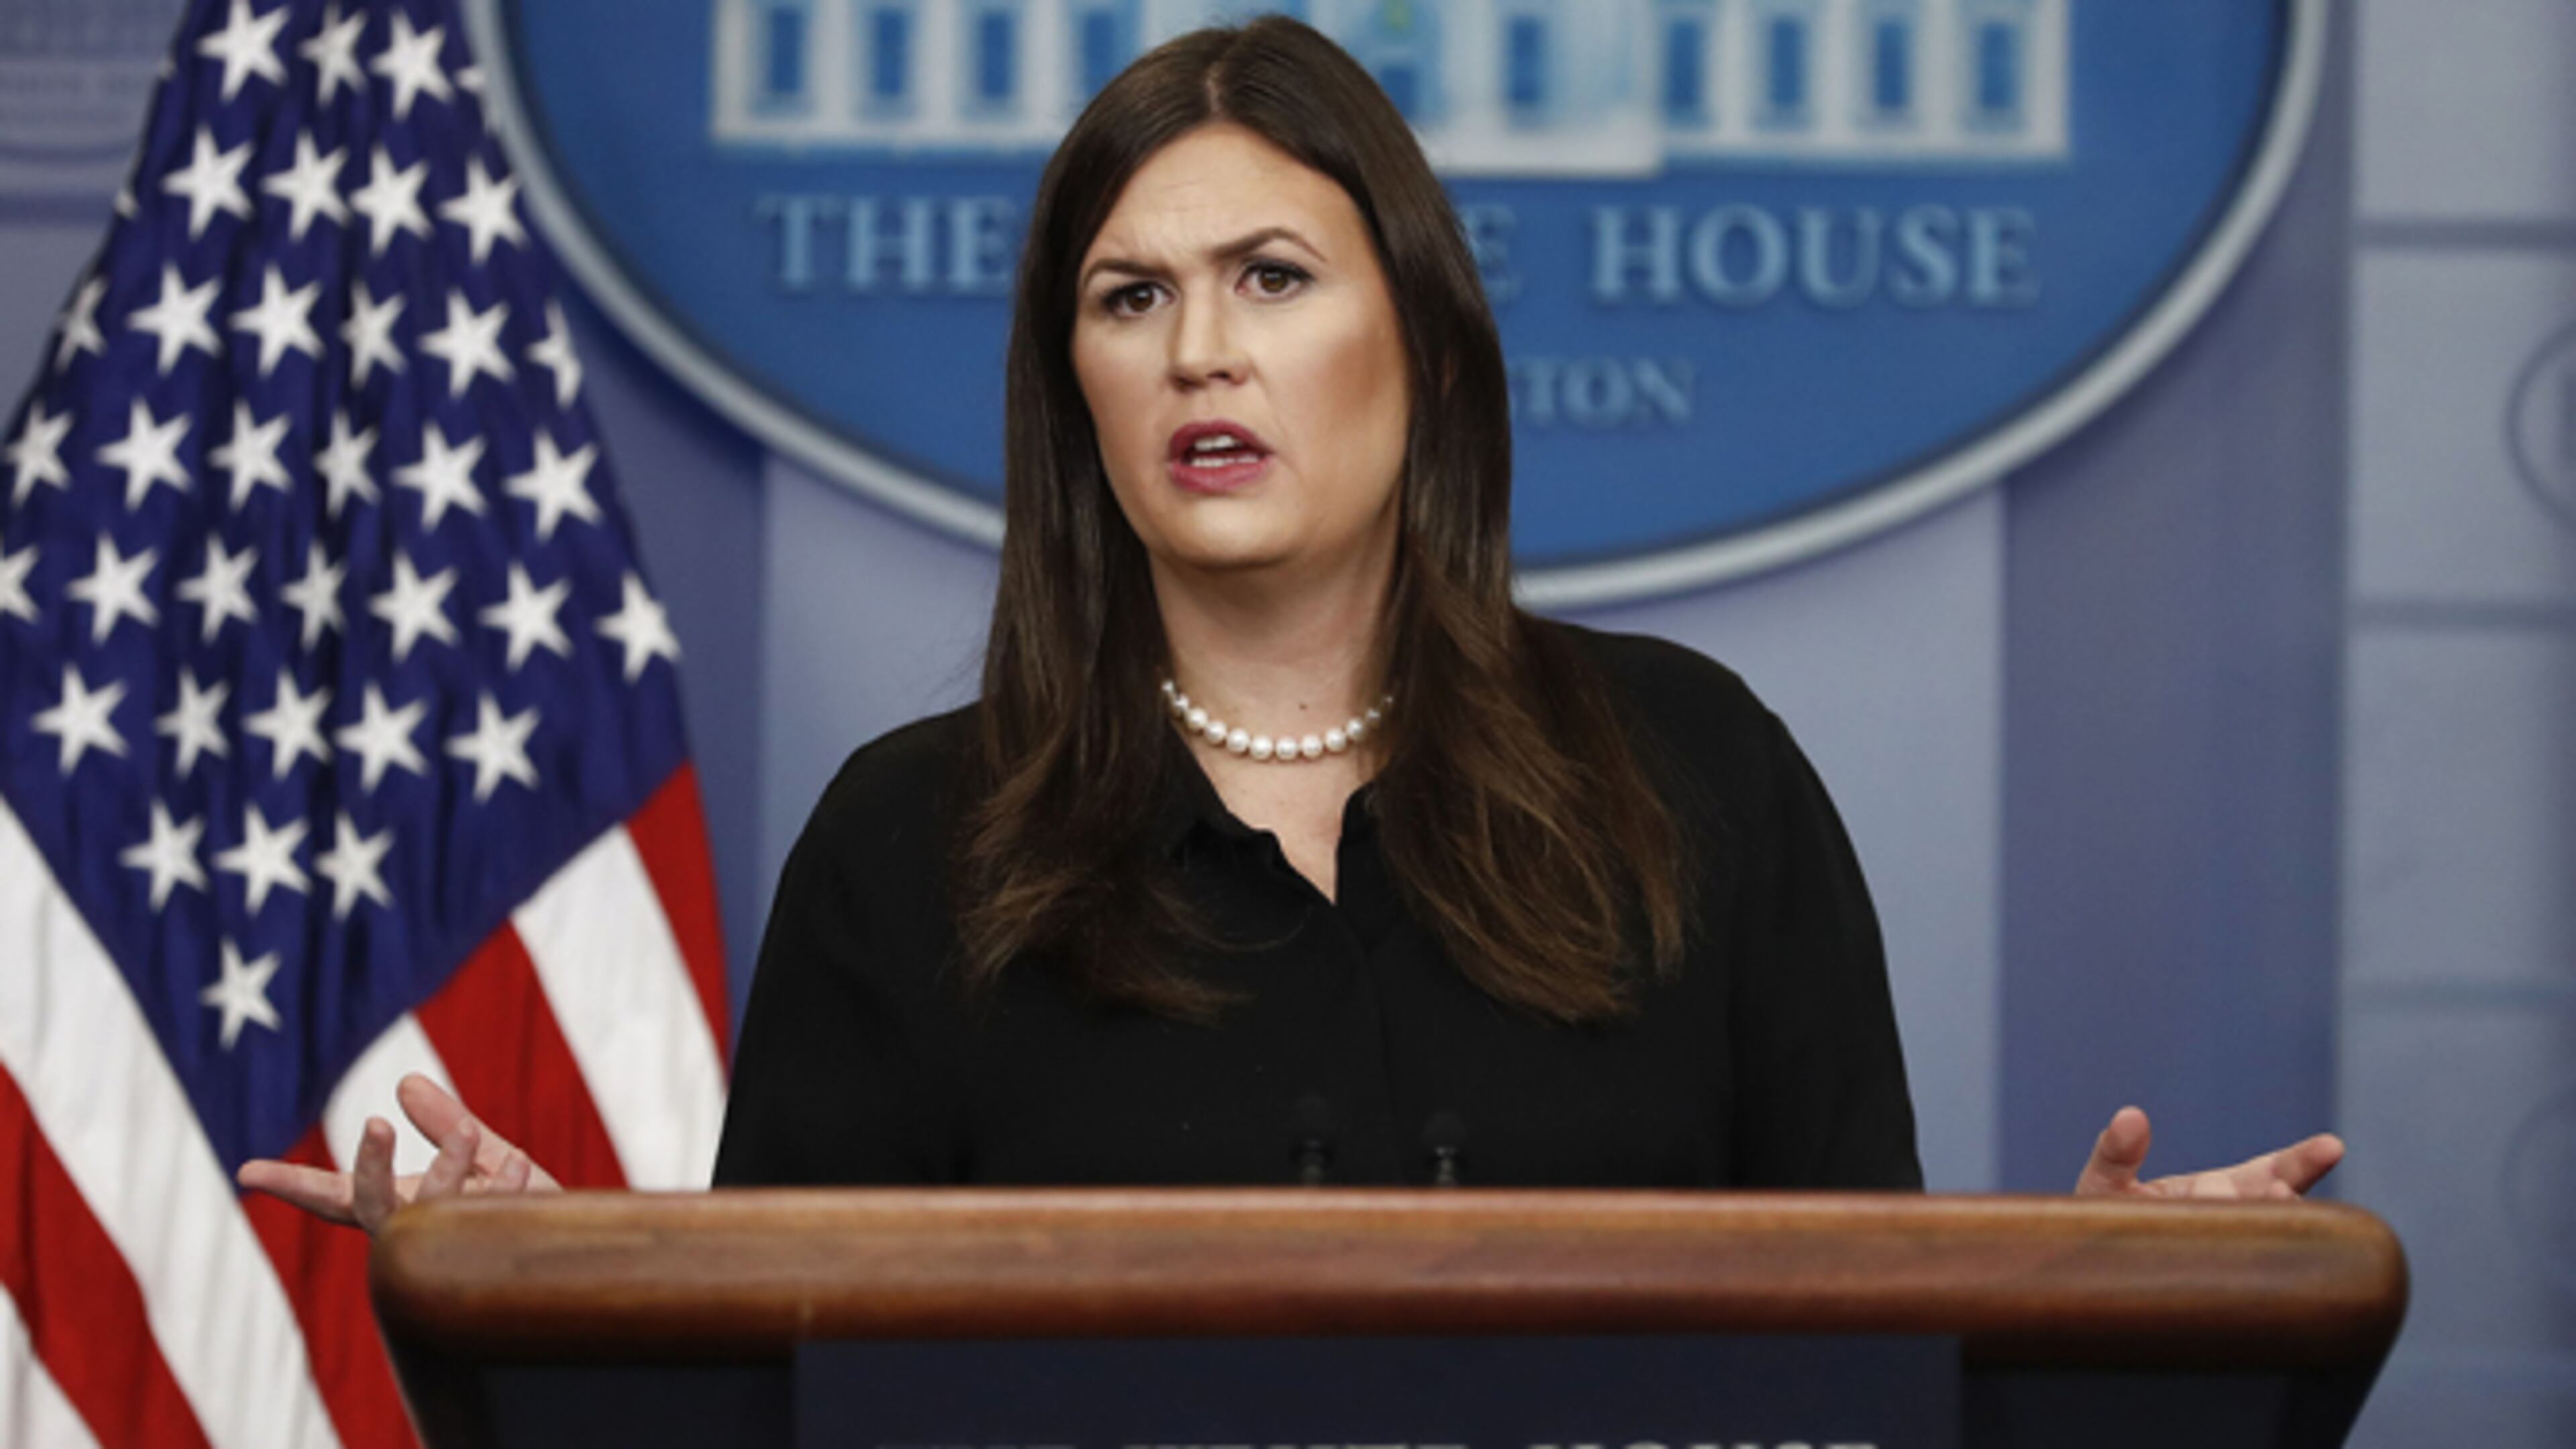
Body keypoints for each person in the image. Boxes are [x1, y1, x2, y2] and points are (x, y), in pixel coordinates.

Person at [240, 17, 2344, 1230]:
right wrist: (558, 1288)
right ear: (1074, 389)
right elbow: (767, 1398)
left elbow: (1867, 1368)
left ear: (1418, 344)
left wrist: (2072, 1324)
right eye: (1130, 298)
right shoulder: (917, 845)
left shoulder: (1695, 778)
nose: (1198, 353)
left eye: (1272, 278)